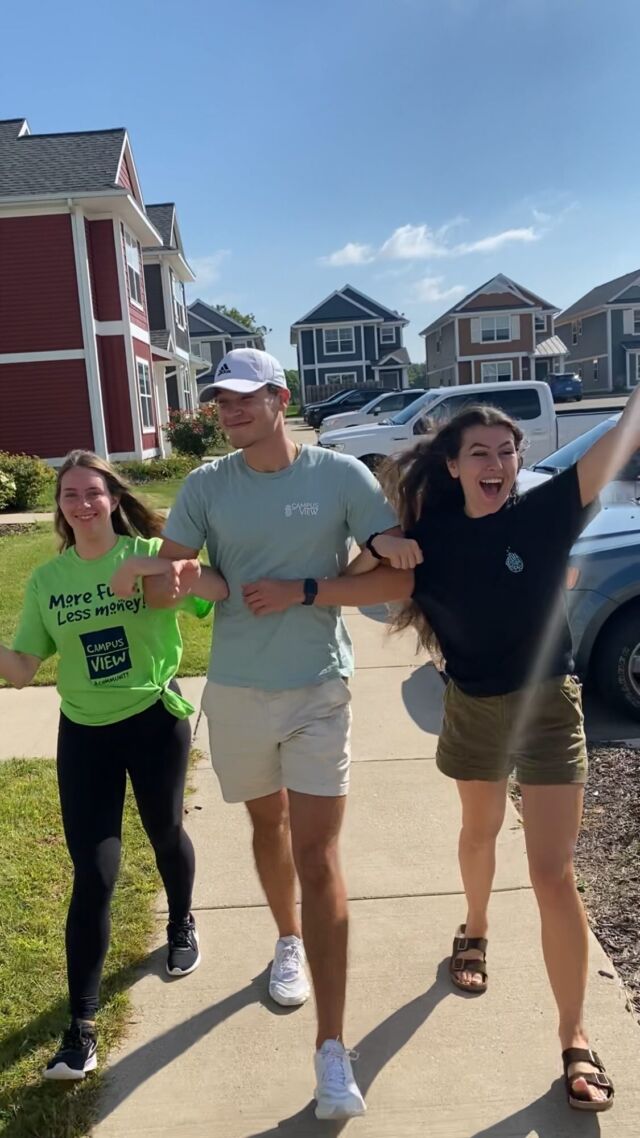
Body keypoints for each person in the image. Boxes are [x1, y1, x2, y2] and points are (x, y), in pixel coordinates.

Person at [245, 395, 640, 1113]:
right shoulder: (429, 536)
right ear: (452, 466)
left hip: (549, 704)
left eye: (507, 452)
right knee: (479, 832)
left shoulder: (548, 511)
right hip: (474, 707)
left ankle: (575, 1037)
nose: (497, 463)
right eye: (479, 453)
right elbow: (355, 578)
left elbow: (623, 435)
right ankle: (476, 928)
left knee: (552, 873)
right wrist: (366, 553)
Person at [148, 348, 402, 1121]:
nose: (228, 411)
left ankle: (332, 1051)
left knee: (317, 855)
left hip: (319, 688)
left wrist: (306, 590)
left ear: (279, 400)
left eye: (244, 399)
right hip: (237, 690)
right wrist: (191, 584)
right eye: (221, 401)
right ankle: (287, 938)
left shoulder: (340, 477)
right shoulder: (206, 485)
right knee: (269, 827)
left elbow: (395, 576)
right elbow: (171, 579)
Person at [0, 450, 227, 1081]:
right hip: (85, 735)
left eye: (92, 492)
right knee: (94, 872)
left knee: (164, 832)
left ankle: (180, 922)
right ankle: (81, 1029)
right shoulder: (48, 581)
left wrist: (153, 568)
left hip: (153, 722)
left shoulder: (149, 551)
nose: (82, 504)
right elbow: (22, 671)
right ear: (60, 508)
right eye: (70, 495)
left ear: (113, 498)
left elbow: (213, 589)